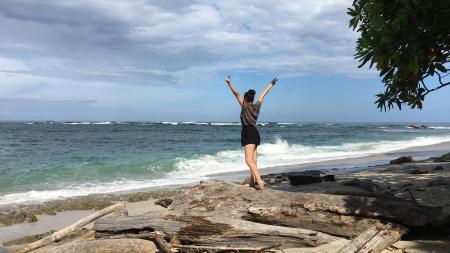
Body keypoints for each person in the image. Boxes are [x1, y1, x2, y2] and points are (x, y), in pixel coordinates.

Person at [225, 75, 279, 190]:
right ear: (252, 98)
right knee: (254, 160)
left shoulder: (244, 105)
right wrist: (271, 84)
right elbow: (263, 94)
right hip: (255, 133)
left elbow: (236, 94)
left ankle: (259, 181)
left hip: (248, 133)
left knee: (248, 160)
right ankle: (251, 181)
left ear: (245, 98)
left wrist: (229, 83)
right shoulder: (257, 106)